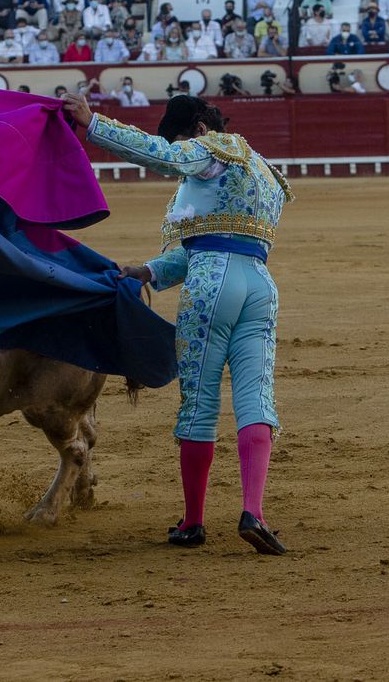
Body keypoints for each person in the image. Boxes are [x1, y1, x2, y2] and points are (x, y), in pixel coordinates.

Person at [62, 93, 292, 556]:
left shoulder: (211, 149)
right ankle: (253, 512)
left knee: (200, 401)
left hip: (212, 286)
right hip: (260, 286)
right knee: (255, 396)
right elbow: (211, 242)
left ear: (199, 129)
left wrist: (93, 126)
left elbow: (163, 156)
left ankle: (193, 521)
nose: (183, 149)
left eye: (184, 138)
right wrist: (148, 271)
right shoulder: (265, 171)